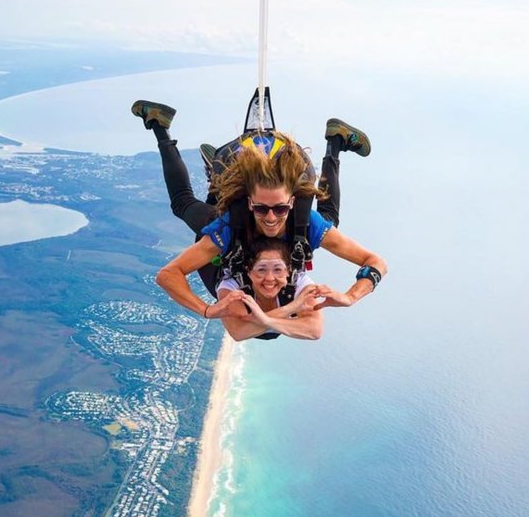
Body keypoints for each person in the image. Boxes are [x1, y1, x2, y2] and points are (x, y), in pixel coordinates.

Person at [131, 99, 387, 339]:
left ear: (292, 203)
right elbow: (169, 275)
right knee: (184, 204)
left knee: (326, 220)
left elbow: (376, 263)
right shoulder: (230, 226)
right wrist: (207, 310)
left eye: (280, 209)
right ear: (251, 203)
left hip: (240, 242)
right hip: (233, 235)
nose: (272, 218)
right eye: (262, 209)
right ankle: (161, 128)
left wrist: (351, 297)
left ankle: (214, 172)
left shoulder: (304, 220)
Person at [218, 237, 324, 341]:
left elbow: (315, 330)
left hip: (264, 327)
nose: (269, 278)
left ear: (288, 270)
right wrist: (291, 308)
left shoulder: (299, 283)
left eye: (277, 269)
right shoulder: (231, 286)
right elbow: (238, 332)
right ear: (249, 271)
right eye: (261, 269)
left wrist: (266, 320)